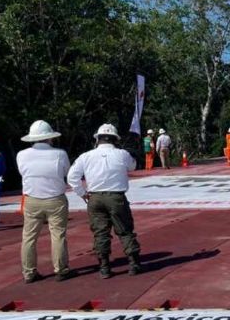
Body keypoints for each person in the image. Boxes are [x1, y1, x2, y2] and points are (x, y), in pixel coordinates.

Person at [67, 124, 142, 278]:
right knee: (125, 230)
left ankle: (104, 267)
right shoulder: (122, 154)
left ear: (97, 139)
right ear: (115, 140)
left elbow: (71, 177)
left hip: (95, 197)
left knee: (100, 233)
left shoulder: (85, 156)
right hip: (116, 197)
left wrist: (82, 193)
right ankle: (134, 263)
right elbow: (133, 167)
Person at [16, 120, 72, 283]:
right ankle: (61, 270)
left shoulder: (22, 155)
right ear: (50, 137)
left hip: (32, 199)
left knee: (29, 237)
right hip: (55, 199)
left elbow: (22, 173)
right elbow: (67, 172)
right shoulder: (60, 154)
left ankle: (29, 273)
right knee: (58, 235)